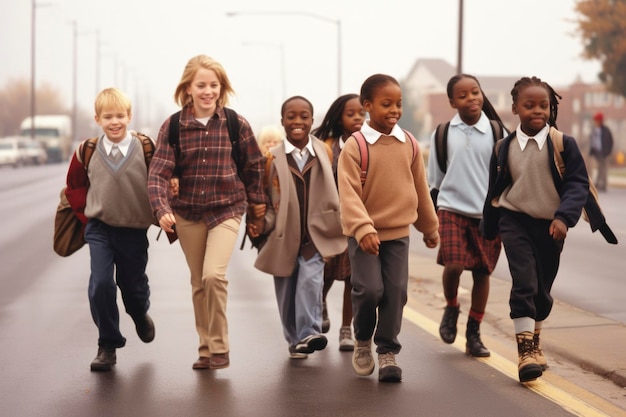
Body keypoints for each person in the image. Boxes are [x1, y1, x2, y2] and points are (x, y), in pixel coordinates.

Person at [147, 55, 268, 370]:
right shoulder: (173, 126)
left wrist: (257, 209)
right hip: (187, 213)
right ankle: (205, 349)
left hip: (226, 209)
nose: (207, 91)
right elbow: (158, 172)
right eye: (201, 85)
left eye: (213, 85)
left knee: (213, 275)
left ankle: (220, 347)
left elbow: (254, 166)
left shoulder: (234, 123)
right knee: (198, 281)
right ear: (188, 88)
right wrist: (161, 208)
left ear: (221, 88)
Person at [481, 76, 592, 383]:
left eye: (543, 105)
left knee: (542, 292)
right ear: (515, 108)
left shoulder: (562, 144)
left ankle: (536, 341)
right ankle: (525, 352)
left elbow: (577, 183)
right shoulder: (503, 148)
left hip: (551, 225)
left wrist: (563, 218)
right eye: (529, 106)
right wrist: (489, 227)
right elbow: (495, 189)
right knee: (524, 283)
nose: (537, 111)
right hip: (514, 220)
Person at [338, 74, 439, 383]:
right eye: (386, 104)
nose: (394, 110)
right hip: (364, 236)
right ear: (367, 106)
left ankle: (387, 352)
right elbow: (348, 193)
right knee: (369, 290)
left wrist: (429, 226)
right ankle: (363, 341)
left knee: (395, 292)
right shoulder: (355, 147)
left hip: (398, 235)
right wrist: (363, 229)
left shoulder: (407, 142)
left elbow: (420, 188)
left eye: (398, 104)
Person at [64, 87, 156, 372]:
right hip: (100, 228)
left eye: (120, 115)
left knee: (133, 287)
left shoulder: (145, 147)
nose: (114, 121)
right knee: (101, 284)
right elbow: (74, 186)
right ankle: (108, 344)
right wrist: (86, 216)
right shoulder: (87, 151)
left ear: (129, 116)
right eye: (107, 117)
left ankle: (139, 313)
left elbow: (162, 180)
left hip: (133, 230)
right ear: (97, 119)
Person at [253, 96, 347, 359]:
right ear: (282, 121)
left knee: (310, 283)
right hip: (282, 235)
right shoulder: (272, 159)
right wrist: (259, 221)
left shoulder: (324, 153)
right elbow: (267, 200)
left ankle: (308, 332)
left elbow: (336, 192)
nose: (297, 122)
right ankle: (295, 340)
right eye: (291, 117)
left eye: (304, 116)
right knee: (286, 292)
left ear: (312, 120)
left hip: (314, 236)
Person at [427, 74, 505, 358]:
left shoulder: (498, 133)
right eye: (463, 95)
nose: (471, 98)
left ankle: (474, 331)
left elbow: (506, 176)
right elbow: (435, 180)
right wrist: (431, 218)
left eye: (475, 92)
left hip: (487, 213)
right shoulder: (443, 133)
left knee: (483, 273)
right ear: (452, 102)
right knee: (455, 265)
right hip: (451, 209)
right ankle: (451, 306)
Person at [311, 93, 365, 351]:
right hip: (328, 222)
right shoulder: (325, 144)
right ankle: (320, 302)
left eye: (361, 114)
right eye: (350, 113)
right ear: (338, 117)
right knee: (327, 272)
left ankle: (346, 329)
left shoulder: (368, 143)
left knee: (353, 279)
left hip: (357, 221)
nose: (357, 118)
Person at [589, 111, 614, 192]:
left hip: (604, 152)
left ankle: (603, 184)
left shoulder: (606, 130)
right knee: (598, 168)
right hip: (596, 152)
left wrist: (608, 151)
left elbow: (610, 141)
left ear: (600, 121)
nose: (595, 122)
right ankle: (597, 183)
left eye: (597, 120)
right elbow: (592, 141)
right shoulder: (594, 130)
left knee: (604, 169)